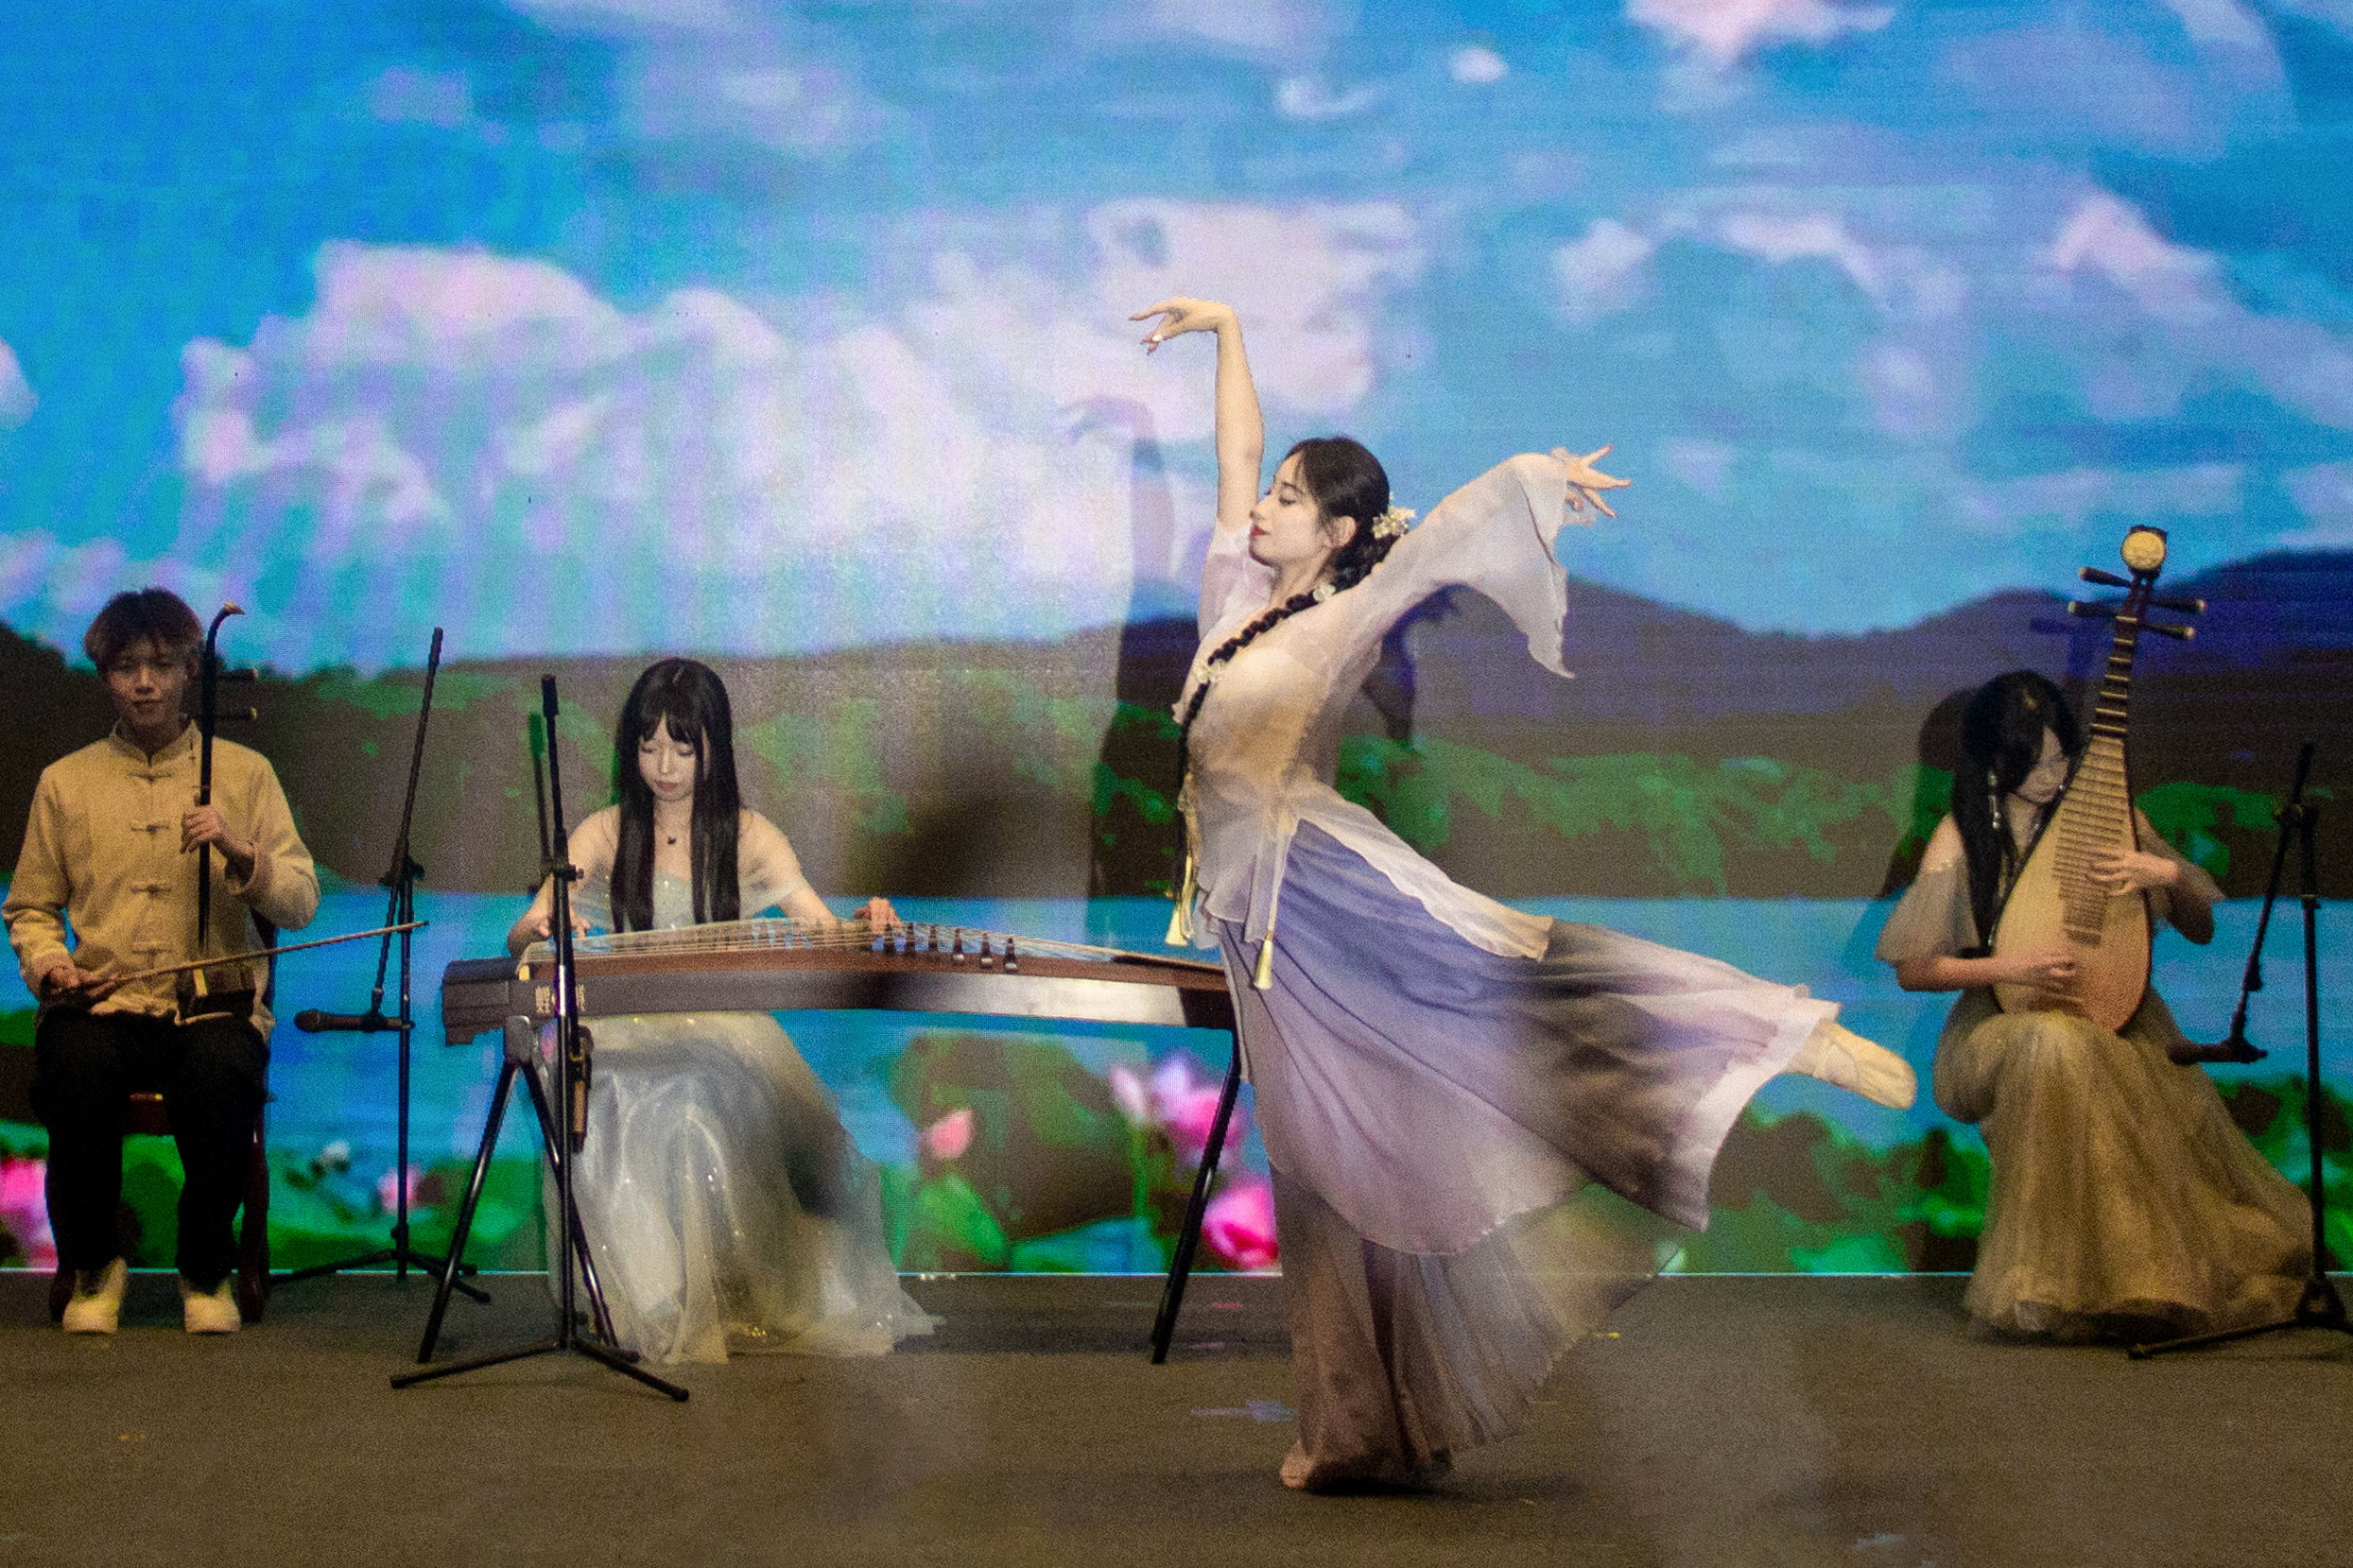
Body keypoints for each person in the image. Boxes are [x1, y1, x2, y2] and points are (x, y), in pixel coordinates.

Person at [1133, 297, 1915, 1490]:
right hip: (1261, 929)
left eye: (1290, 499)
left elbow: (1448, 530)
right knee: (1330, 1158)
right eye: (1272, 494)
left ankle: (1769, 1030)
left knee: (1510, 977)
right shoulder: (1234, 600)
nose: (1263, 507)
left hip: (1326, 890)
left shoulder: (1342, 617)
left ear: (1338, 532)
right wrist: (1229, 328)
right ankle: (1359, 1430)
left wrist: (1534, 477)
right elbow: (1232, 452)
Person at [506, 657, 930, 1362]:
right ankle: (648, 1302)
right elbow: (523, 929)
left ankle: (721, 1294)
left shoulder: (750, 835)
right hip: (622, 1028)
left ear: (713, 748)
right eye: (648, 747)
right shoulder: (605, 833)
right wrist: (544, 925)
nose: (663, 766)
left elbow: (823, 931)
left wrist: (869, 922)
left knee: (698, 1101)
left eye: (682, 748)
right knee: (632, 1102)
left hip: (723, 1028)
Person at [1877, 669, 2309, 1341]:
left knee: (2083, 1050)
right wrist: (2010, 965)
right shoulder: (1962, 835)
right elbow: (1914, 970)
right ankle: (2050, 1284)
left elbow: (2199, 927)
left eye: (2061, 759)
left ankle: (2134, 1284)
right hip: (1995, 1027)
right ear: (1996, 760)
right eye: (2035, 762)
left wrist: (2168, 875)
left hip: (2120, 1018)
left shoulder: (2108, 820)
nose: (2052, 776)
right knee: (2056, 1043)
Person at [5, 588, 320, 1335]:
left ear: (188, 671)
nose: (144, 682)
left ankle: (204, 1268)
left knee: (221, 1070)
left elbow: (301, 901)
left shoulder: (245, 773)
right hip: (104, 1003)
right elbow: (30, 909)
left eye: (161, 665)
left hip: (213, 1006)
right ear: (106, 677)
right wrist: (54, 969)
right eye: (126, 667)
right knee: (71, 1066)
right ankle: (94, 1265)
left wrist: (238, 848)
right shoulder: (64, 782)